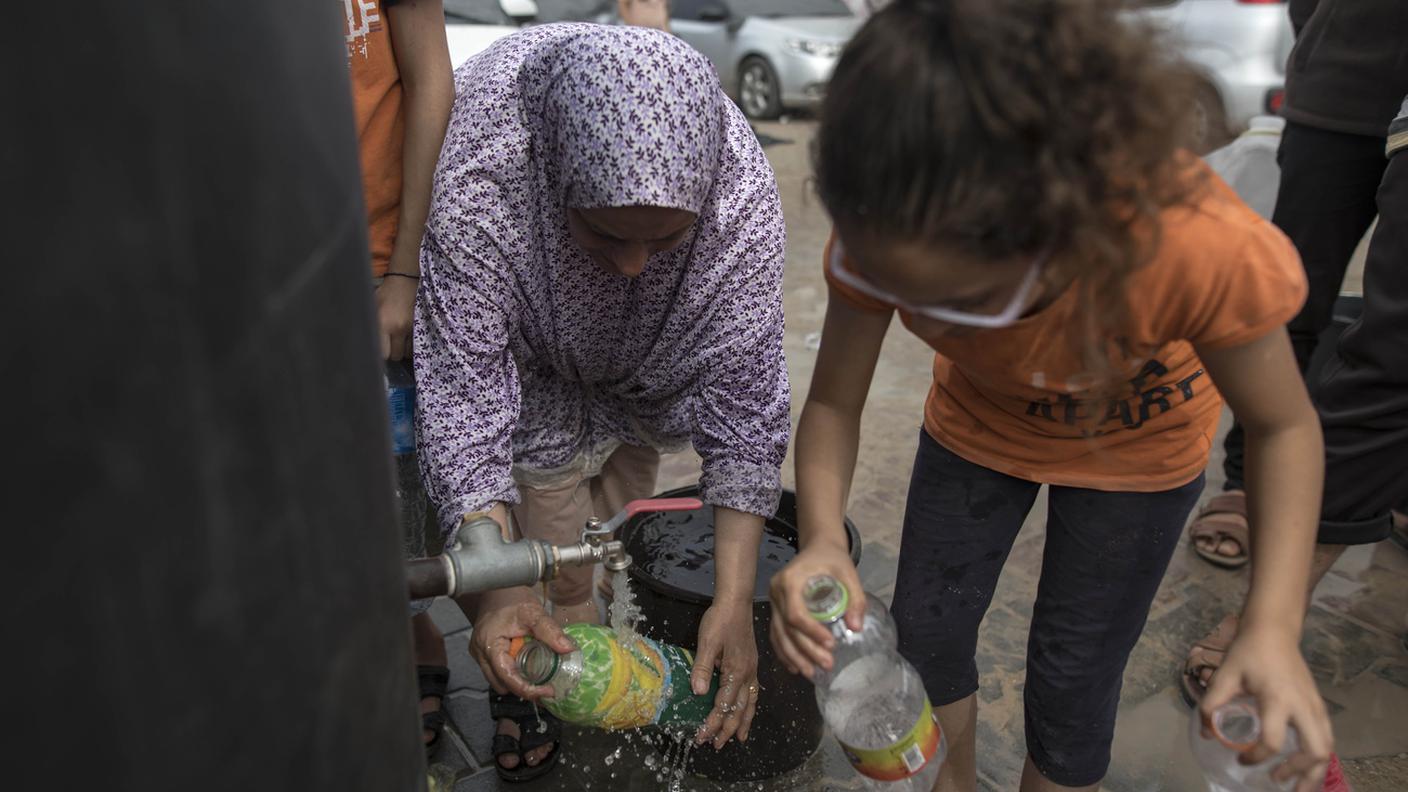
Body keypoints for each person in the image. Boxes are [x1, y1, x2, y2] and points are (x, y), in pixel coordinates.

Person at [767, 1, 1333, 790]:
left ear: (1070, 233)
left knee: (1075, 678)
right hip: (976, 433)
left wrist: (1272, 626)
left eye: (965, 302)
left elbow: (1282, 426)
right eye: (899, 291)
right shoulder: (886, 225)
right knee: (927, 643)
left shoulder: (1197, 246)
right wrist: (823, 537)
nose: (922, 320)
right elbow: (832, 404)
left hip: (1138, 453)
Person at [415, 23, 789, 781]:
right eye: (605, 234)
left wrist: (735, 598)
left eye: (665, 242)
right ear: (551, 179)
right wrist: (496, 588)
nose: (631, 265)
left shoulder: (740, 205)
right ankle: (531, 664)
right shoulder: (487, 177)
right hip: (537, 373)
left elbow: (748, 411)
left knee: (616, 523)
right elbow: (465, 392)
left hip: (650, 371)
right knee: (551, 540)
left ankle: (575, 654)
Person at [1182, 0, 1408, 708]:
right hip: (1344, 77)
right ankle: (1251, 484)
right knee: (1286, 298)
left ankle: (1272, 618)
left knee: (1396, 348)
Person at [341, 0, 454, 754]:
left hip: (381, 256)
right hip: (257, 256)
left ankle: (418, 638)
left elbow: (431, 81)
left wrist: (406, 272)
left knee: (404, 489)